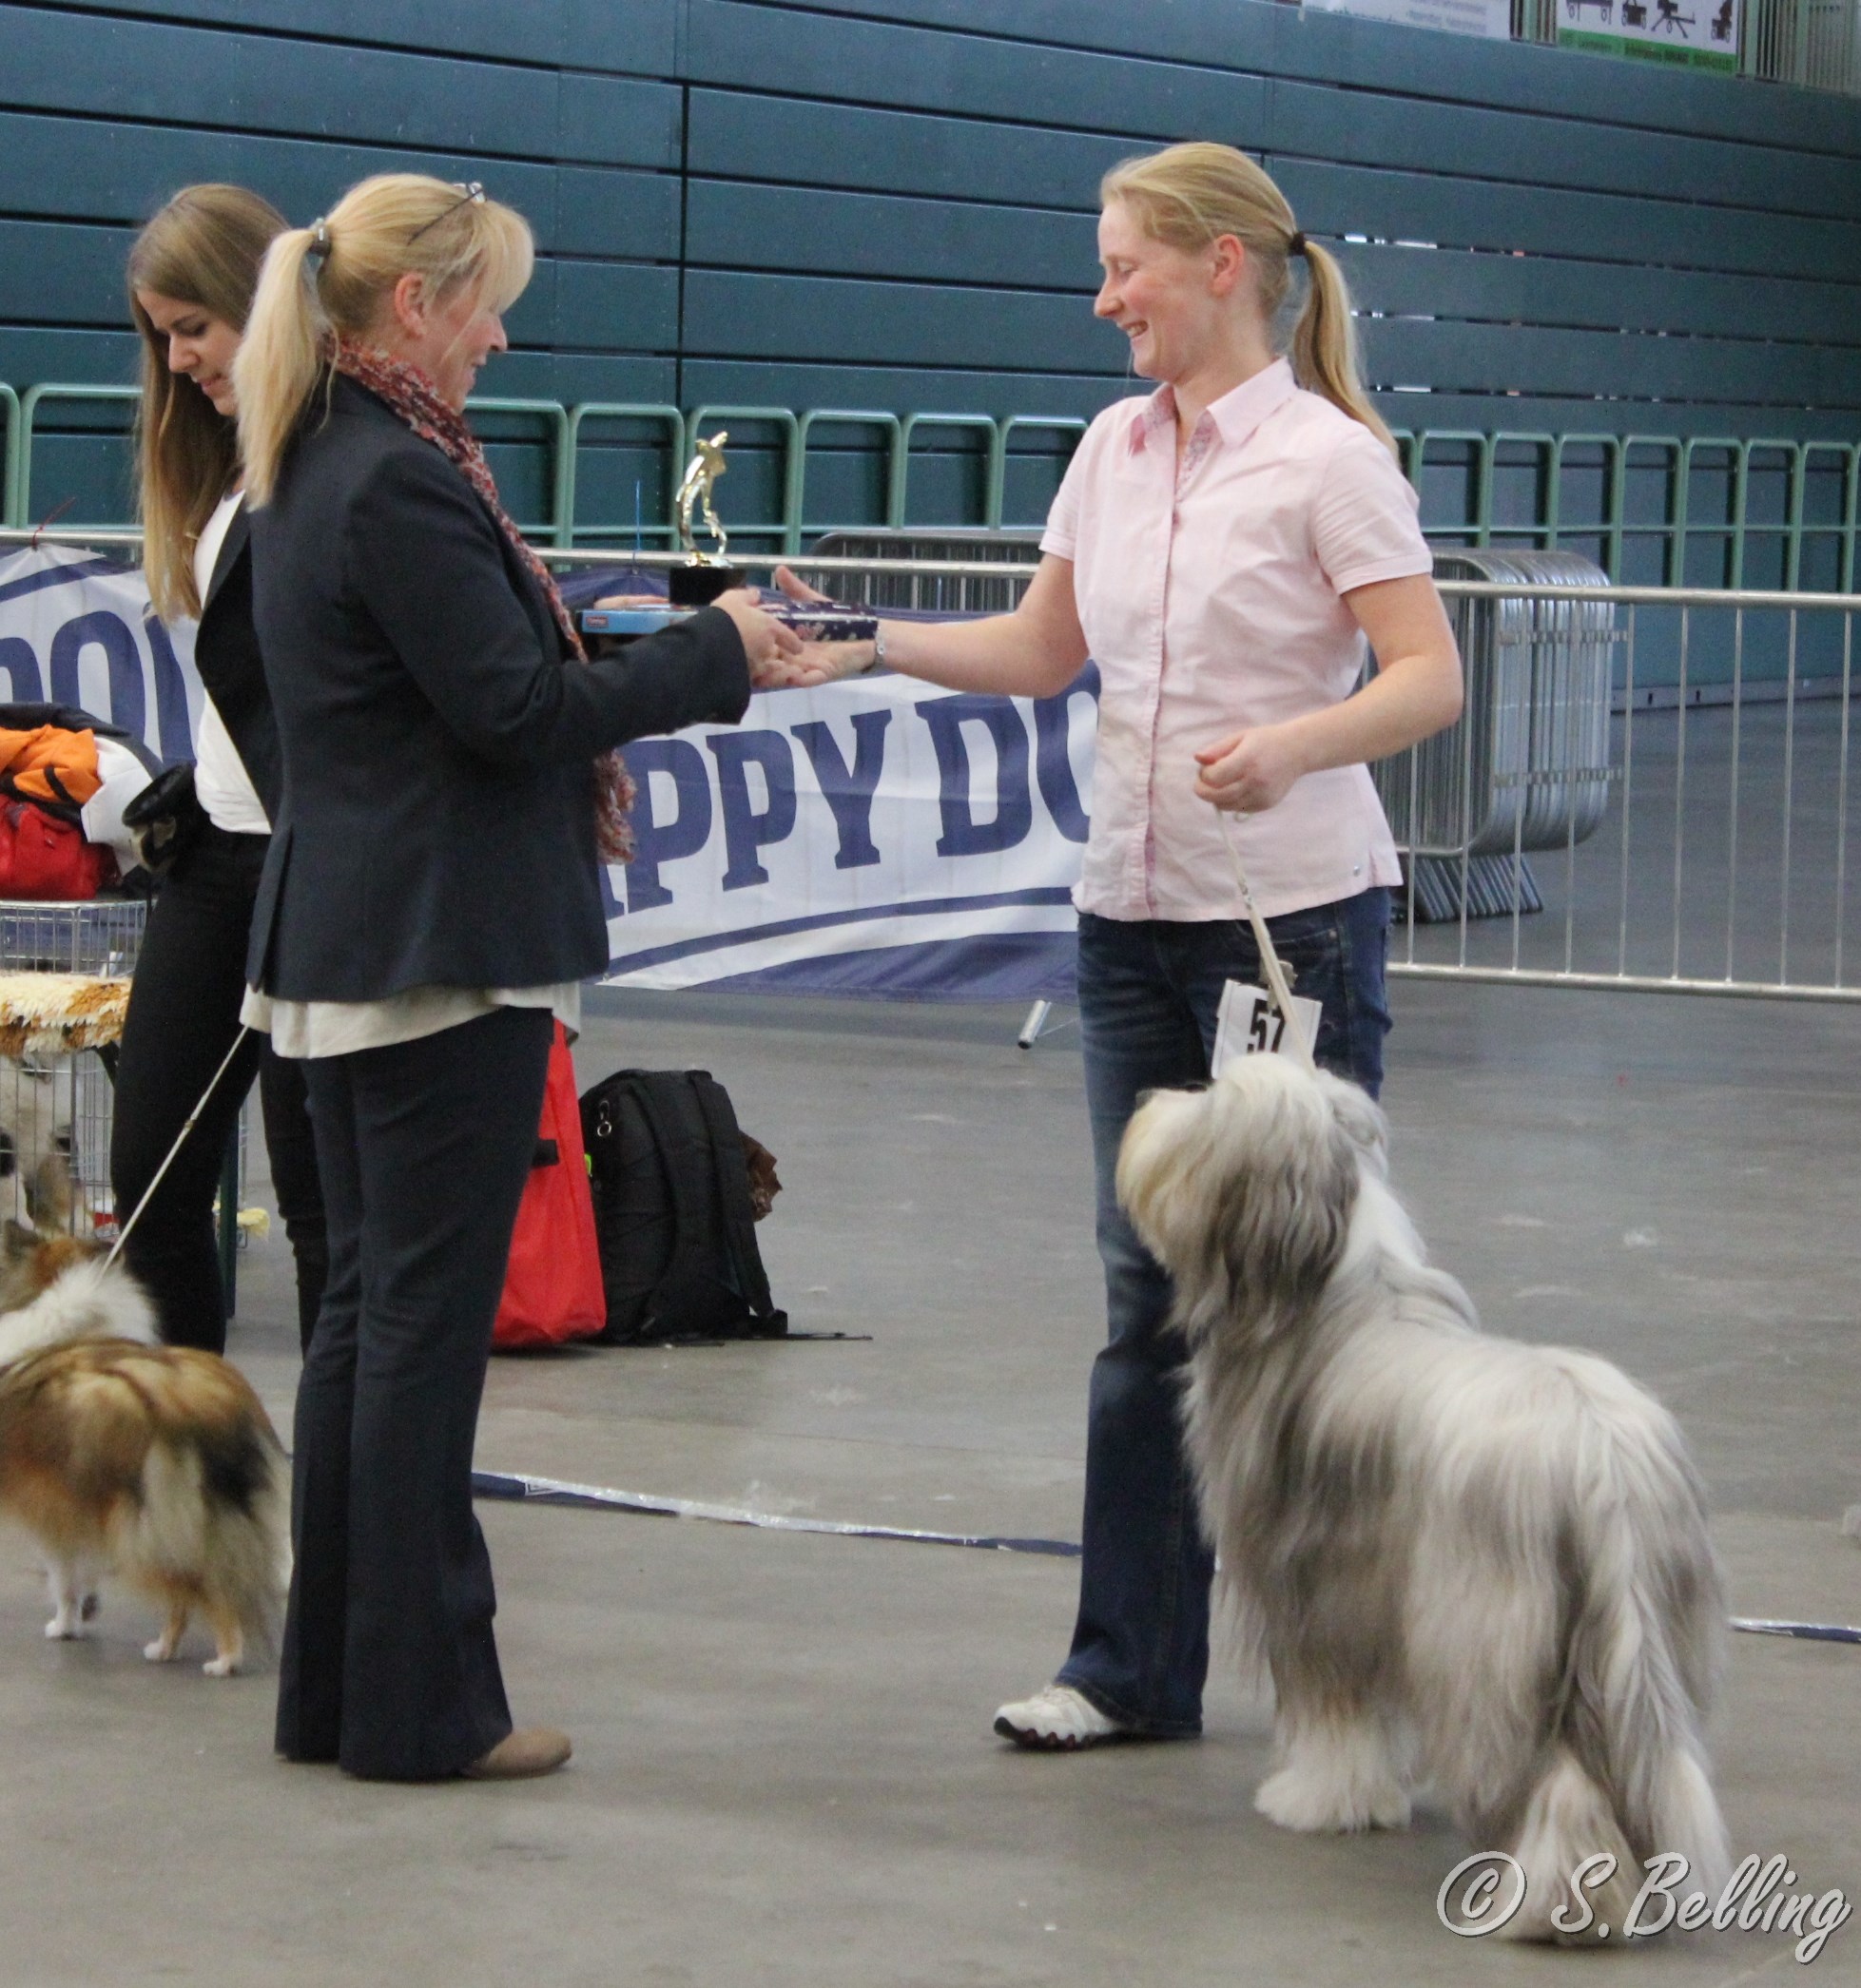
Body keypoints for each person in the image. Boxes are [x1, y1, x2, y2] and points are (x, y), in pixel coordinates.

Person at [783, 143, 1464, 1748]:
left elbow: (1424, 675)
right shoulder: (1108, 446)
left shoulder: (1328, 458)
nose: (1104, 301)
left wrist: (1298, 743)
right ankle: (1127, 1668)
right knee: (1138, 1296)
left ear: (1219, 265)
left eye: (1122, 268)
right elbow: (1041, 648)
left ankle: (1353, 1682)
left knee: (1304, 1309)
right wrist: (861, 643)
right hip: (1128, 925)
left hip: (1286, 934)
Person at [232, 172, 824, 1782]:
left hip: (351, 934)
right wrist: (714, 660)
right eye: (485, 302)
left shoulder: (315, 466)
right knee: (415, 1330)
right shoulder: (401, 484)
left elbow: (433, 679)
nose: (500, 334)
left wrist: (642, 628)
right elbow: (507, 715)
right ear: (414, 308)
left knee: (367, 1319)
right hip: (440, 949)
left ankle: (344, 1699)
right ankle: (421, 1711)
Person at [110, 184, 328, 1357]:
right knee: (147, 1187)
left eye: (194, 325)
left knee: (320, 1218)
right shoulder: (220, 472)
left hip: (315, 883)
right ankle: (184, 1459)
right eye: (162, 335)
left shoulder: (333, 463)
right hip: (213, 868)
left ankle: (344, 1513)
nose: (180, 356)